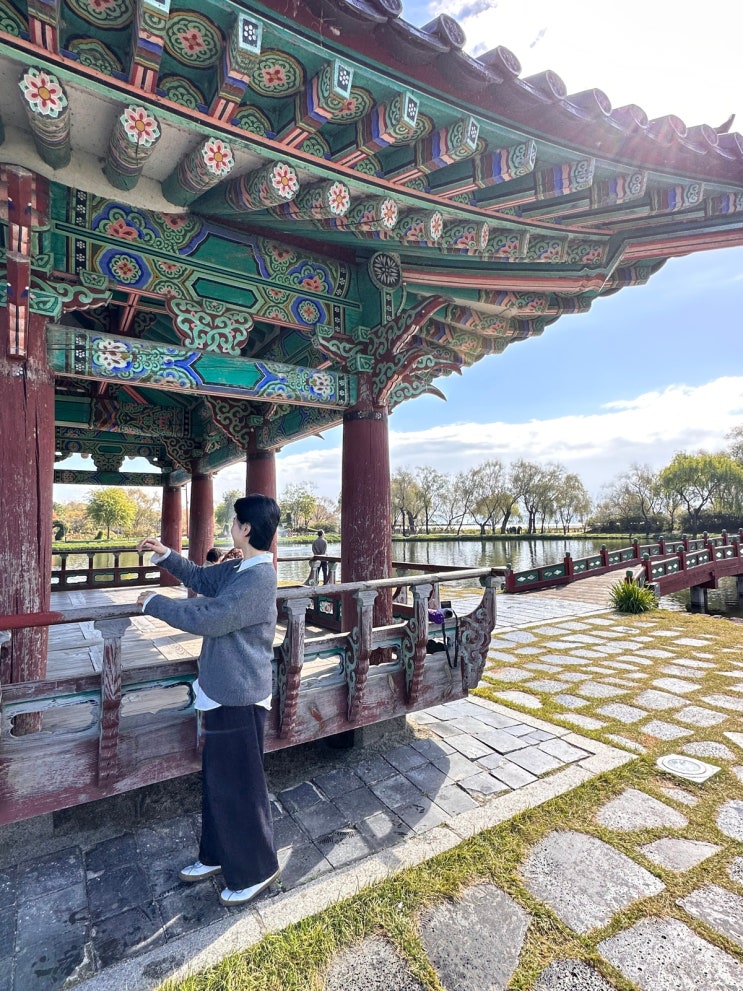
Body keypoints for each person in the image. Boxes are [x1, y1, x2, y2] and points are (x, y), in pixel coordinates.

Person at [135, 494, 281, 906]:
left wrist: (155, 604)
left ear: (246, 529)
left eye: (234, 521)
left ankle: (257, 869)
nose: (231, 527)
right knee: (219, 783)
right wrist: (167, 555)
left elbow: (213, 619)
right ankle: (216, 855)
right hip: (221, 690)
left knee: (241, 787)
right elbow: (201, 578)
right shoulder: (238, 568)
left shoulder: (259, 579)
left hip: (240, 695)